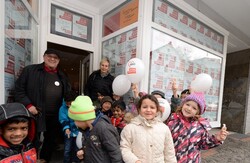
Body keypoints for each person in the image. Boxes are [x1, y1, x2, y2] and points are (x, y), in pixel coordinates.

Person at [14, 48, 71, 162]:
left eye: (55, 58)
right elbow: (19, 90)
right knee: (31, 141)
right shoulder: (30, 70)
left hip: (55, 116)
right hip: (35, 114)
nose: (52, 59)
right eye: (50, 56)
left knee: (50, 142)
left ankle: (45, 160)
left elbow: (68, 94)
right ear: (44, 57)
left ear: (58, 61)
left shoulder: (62, 75)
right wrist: (29, 105)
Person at [166, 92, 229, 162]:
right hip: (171, 160)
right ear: (183, 104)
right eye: (187, 104)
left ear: (198, 112)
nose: (189, 108)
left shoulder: (200, 126)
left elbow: (204, 144)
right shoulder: (173, 119)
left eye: (194, 108)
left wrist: (217, 138)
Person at [120, 94, 177, 163]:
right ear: (139, 109)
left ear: (157, 110)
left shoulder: (164, 129)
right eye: (144, 107)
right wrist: (134, 160)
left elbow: (169, 153)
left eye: (152, 107)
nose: (148, 110)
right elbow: (124, 148)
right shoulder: (130, 128)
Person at [68, 95, 123, 163]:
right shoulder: (86, 129)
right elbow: (92, 147)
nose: (74, 123)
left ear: (83, 118)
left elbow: (115, 152)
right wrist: (83, 151)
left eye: (75, 120)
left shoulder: (103, 128)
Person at [59, 90, 80, 163]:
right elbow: (63, 119)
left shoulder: (79, 107)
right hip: (69, 132)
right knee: (67, 150)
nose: (69, 105)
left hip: (78, 132)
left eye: (70, 103)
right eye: (67, 103)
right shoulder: (62, 108)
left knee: (78, 149)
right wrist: (66, 128)